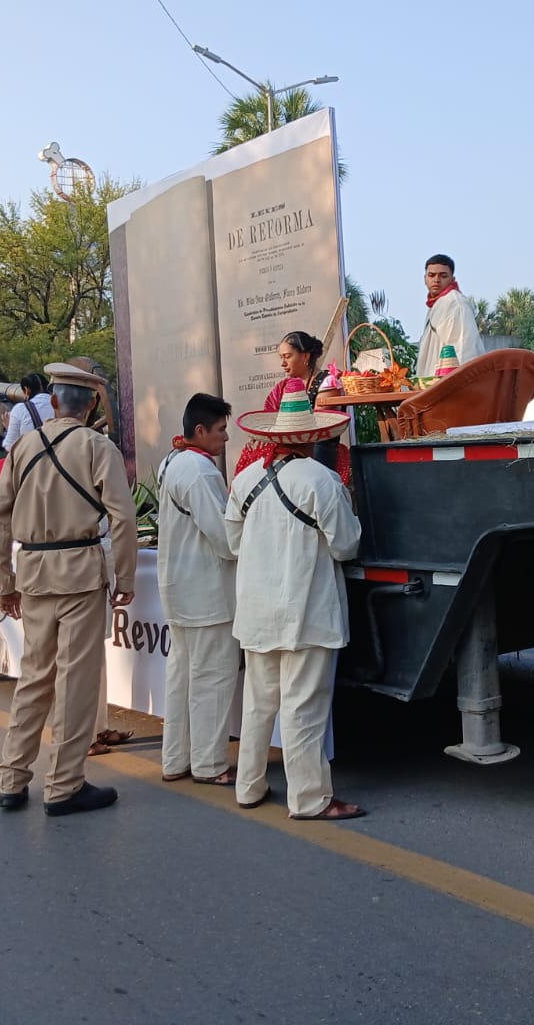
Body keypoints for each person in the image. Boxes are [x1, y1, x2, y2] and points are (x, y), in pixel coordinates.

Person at [0, 362, 139, 817]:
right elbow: (123, 517)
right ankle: (64, 784)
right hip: (80, 573)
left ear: (52, 402)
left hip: (33, 572)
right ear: (90, 404)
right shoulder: (97, 446)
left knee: (34, 676)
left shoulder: (22, 447)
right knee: (75, 679)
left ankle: (12, 778)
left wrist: (5, 580)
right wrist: (125, 578)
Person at [226, 379, 365, 821]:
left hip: (256, 611)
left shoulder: (245, 480)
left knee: (258, 704)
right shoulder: (322, 480)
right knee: (303, 709)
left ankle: (248, 786)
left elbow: (232, 543)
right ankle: (308, 798)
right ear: (312, 437)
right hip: (306, 611)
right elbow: (345, 545)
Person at [156, 393, 241, 786]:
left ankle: (176, 759)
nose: (225, 438)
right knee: (211, 677)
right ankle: (209, 764)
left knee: (181, 678)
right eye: (221, 430)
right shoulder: (201, 471)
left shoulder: (172, 461)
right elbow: (225, 540)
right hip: (206, 592)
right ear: (200, 431)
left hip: (179, 588)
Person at [233, 331, 350, 484]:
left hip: (316, 448)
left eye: (287, 357)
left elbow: (319, 428)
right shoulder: (285, 387)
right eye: (281, 358)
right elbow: (272, 415)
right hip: (287, 445)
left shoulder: (327, 383)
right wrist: (261, 437)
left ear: (305, 356)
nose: (282, 363)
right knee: (252, 452)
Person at [415, 254, 485, 380]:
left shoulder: (455, 303)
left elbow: (464, 349)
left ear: (452, 279)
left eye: (443, 276)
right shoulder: (438, 304)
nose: (436, 280)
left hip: (450, 387)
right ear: (425, 279)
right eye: (431, 275)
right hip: (432, 385)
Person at [0, 372, 54, 452]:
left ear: (26, 390)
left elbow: (10, 447)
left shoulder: (20, 409)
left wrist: (8, 428)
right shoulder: (60, 406)